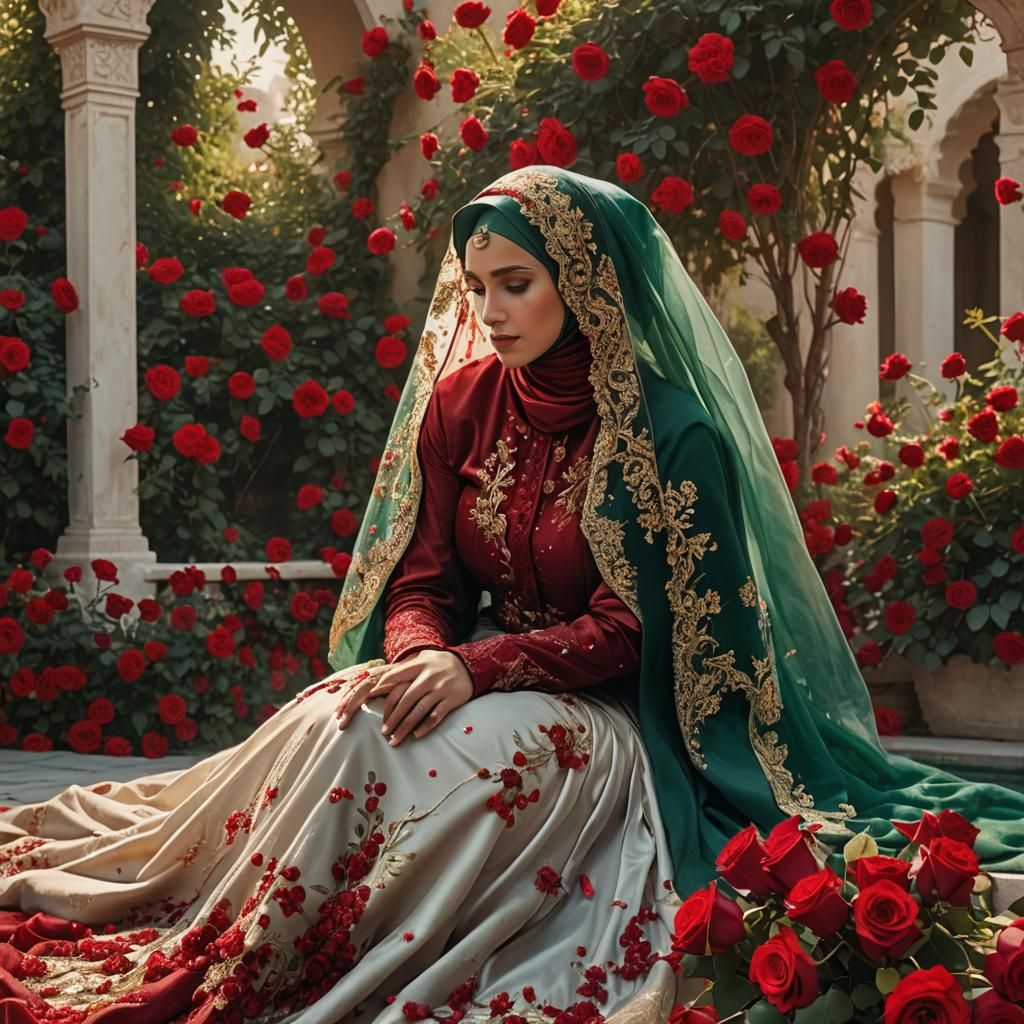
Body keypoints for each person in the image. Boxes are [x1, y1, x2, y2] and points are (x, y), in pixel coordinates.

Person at [1, 165, 1024, 1024]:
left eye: (514, 283)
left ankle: (304, 956)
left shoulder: (671, 435)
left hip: (621, 719)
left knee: (473, 751)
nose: (487, 312)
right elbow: (425, 577)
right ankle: (231, 935)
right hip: (470, 676)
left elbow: (643, 630)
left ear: (582, 283)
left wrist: (472, 665)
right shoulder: (459, 406)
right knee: (340, 716)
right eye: (475, 284)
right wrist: (413, 653)